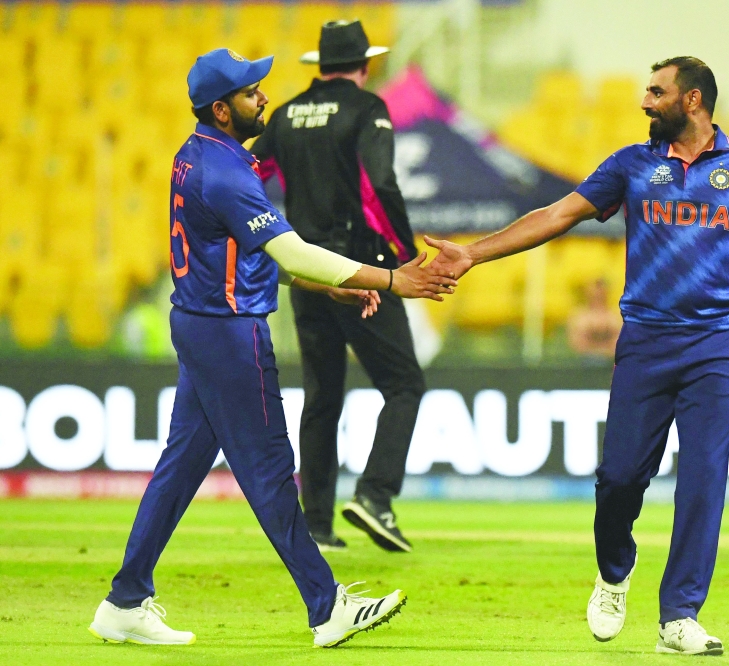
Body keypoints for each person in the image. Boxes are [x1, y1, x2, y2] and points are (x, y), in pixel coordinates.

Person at [426, 56, 729, 655]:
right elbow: (558, 215)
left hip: (716, 345)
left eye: (656, 92)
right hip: (646, 344)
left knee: (705, 481)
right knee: (619, 479)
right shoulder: (632, 165)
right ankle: (613, 571)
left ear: (692, 101)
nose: (644, 101)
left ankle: (679, 615)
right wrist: (474, 255)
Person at [88, 48, 456, 648]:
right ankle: (327, 607)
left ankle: (126, 599)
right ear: (222, 110)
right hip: (231, 334)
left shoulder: (196, 156)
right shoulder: (227, 172)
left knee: (180, 469)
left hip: (203, 323)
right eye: (250, 91)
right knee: (269, 472)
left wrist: (326, 289)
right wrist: (391, 279)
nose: (263, 96)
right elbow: (292, 251)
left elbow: (245, 253)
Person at [251, 20, 421, 554]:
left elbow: (249, 181)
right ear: (365, 65)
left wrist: (272, 241)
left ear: (319, 65)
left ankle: (317, 525)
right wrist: (406, 258)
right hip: (360, 267)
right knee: (402, 384)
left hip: (307, 270)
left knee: (322, 397)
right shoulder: (368, 109)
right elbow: (378, 186)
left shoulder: (283, 116)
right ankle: (375, 495)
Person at [566, 278, 621, 361]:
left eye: (601, 293)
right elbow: (577, 343)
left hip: (611, 362)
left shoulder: (615, 317)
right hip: (584, 364)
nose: (598, 294)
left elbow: (618, 342)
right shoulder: (579, 317)